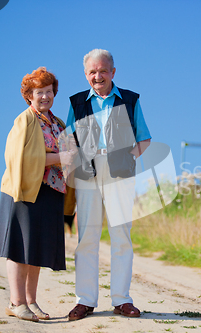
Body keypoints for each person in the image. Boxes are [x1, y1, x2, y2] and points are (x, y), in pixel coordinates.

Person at [66, 49, 151, 321]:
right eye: (92, 72)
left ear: (113, 72)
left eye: (103, 71)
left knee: (121, 237)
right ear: (86, 75)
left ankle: (121, 300)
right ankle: (85, 300)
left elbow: (144, 138)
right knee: (86, 238)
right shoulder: (77, 102)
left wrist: (127, 160)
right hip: (87, 173)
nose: (98, 76)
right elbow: (68, 140)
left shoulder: (130, 100)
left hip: (120, 174)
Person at [0, 67, 76, 322]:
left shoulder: (57, 123)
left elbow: (70, 154)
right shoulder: (24, 120)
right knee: (19, 248)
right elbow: (18, 158)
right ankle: (17, 302)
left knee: (35, 250)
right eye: (40, 92)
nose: (45, 97)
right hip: (24, 192)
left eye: (49, 91)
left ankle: (31, 302)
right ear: (29, 95)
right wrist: (59, 157)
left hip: (50, 193)